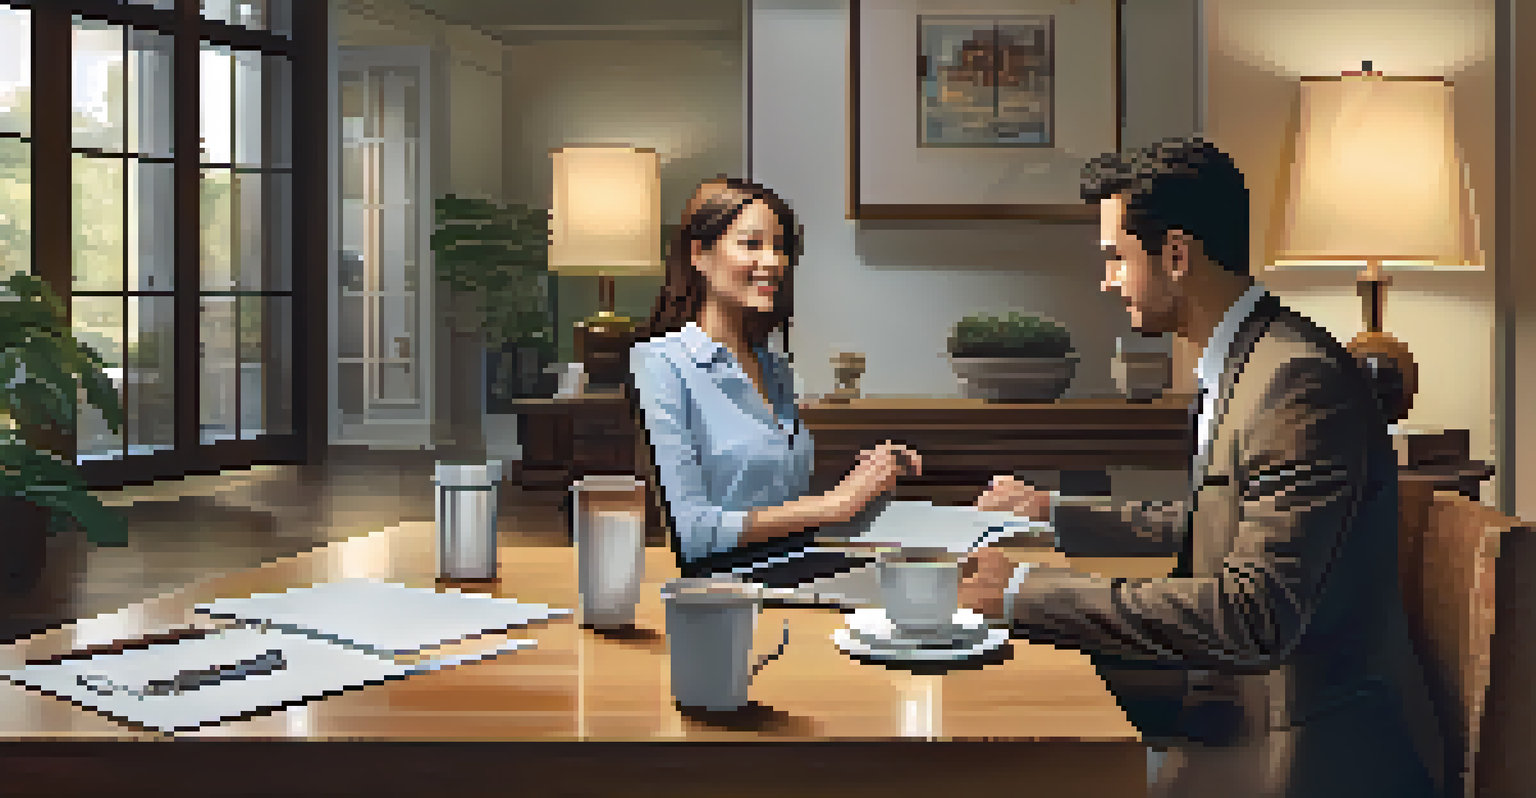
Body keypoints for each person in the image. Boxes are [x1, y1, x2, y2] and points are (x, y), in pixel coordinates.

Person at [960, 138, 1448, 798]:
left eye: (1116, 259)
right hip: (1244, 716)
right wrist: (1050, 513)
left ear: (1178, 255)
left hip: (1308, 756)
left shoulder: (1294, 380)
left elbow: (1252, 615)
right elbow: (1208, 520)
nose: (1106, 281)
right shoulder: (1249, 361)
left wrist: (1025, 591)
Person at [629, 176, 920, 577]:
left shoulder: (774, 368)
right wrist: (837, 502)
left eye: (779, 248)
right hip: (723, 596)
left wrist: (871, 478)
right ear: (699, 254)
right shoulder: (660, 364)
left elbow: (786, 512)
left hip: (795, 572)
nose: (773, 262)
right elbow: (691, 533)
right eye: (752, 244)